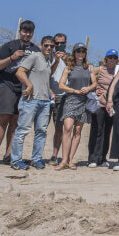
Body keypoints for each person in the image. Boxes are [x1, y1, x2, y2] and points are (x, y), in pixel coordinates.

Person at [0, 20, 41, 168]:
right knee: (2, 120)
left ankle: (9, 155)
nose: (27, 34)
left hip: (24, 88)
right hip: (7, 85)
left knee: (16, 122)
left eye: (30, 32)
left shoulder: (36, 50)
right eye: (24, 31)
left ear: (33, 33)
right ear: (20, 31)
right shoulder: (9, 46)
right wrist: (12, 58)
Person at [10, 36, 56, 170]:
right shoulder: (35, 56)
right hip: (31, 100)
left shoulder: (48, 60)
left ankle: (36, 159)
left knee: (41, 131)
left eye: (51, 46)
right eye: (46, 45)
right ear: (41, 45)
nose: (49, 48)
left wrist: (50, 92)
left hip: (45, 101)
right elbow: (20, 72)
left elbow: (43, 80)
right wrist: (28, 85)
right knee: (23, 130)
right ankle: (16, 160)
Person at [55, 43, 97, 170]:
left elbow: (94, 83)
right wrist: (74, 91)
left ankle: (70, 160)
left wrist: (88, 88)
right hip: (71, 99)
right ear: (74, 53)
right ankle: (63, 160)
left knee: (77, 131)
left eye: (83, 51)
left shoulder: (89, 67)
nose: (81, 53)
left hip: (84, 101)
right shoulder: (68, 68)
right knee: (67, 128)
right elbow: (61, 85)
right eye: (78, 51)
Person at [88, 49, 119, 168]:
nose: (112, 59)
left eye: (114, 58)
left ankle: (102, 158)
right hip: (99, 105)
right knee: (97, 131)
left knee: (107, 132)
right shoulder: (100, 69)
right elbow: (89, 71)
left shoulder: (118, 71)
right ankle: (93, 158)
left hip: (111, 106)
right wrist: (95, 92)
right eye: (110, 57)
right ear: (105, 59)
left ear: (117, 60)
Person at [47, 33, 68, 165]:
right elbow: (48, 73)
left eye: (62, 43)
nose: (59, 45)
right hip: (46, 95)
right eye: (57, 43)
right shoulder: (48, 56)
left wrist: (66, 60)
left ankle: (54, 155)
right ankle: (36, 156)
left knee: (59, 128)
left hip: (62, 96)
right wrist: (56, 60)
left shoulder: (71, 58)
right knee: (41, 127)